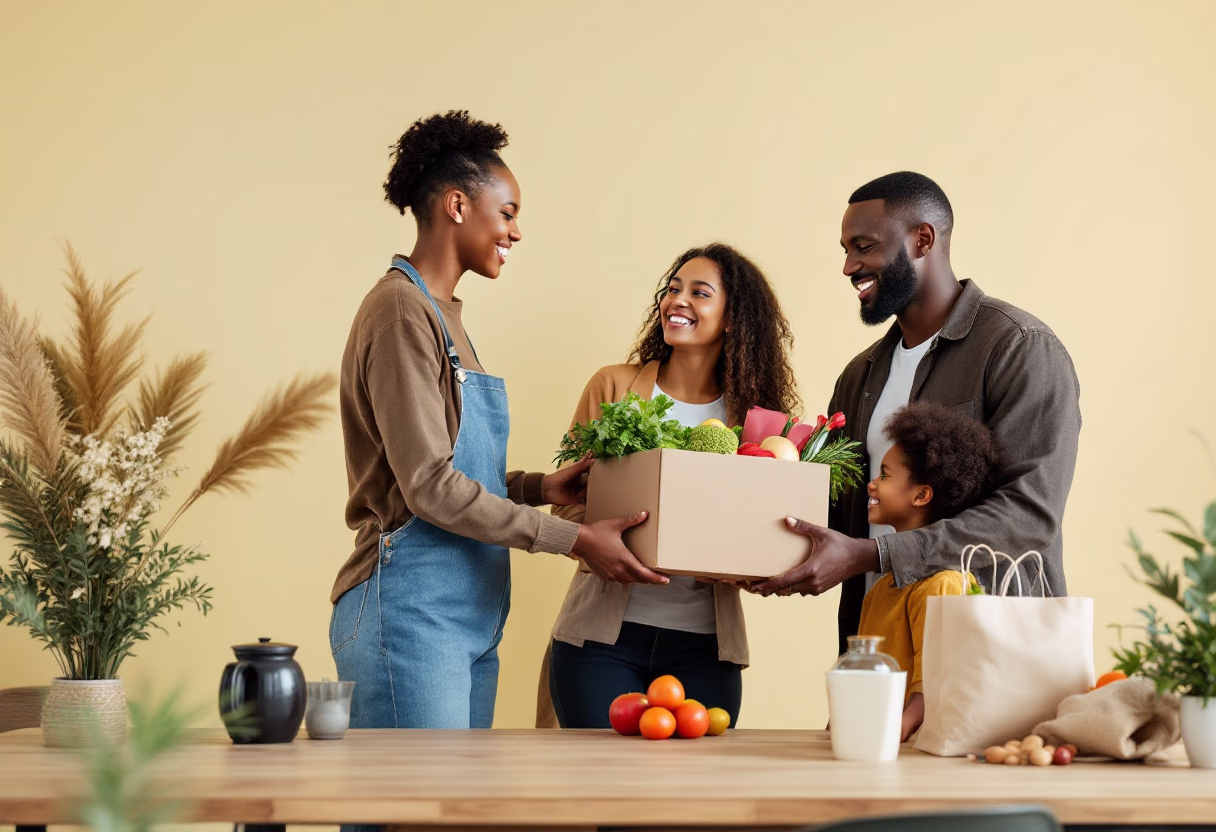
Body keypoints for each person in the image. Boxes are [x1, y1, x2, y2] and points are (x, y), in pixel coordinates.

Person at [330, 110, 666, 731]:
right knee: (409, 817)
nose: (516, 231)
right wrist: (574, 538)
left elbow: (447, 468)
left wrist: (541, 488)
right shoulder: (401, 312)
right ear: (457, 205)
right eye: (507, 211)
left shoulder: (442, 314)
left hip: (469, 614)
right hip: (410, 614)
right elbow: (428, 487)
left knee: (447, 817)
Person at [753, 172, 1082, 656]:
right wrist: (749, 541)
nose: (849, 266)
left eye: (863, 246)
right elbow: (836, 511)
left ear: (923, 239)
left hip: (993, 653)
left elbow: (1029, 515)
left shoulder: (1019, 348)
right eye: (845, 250)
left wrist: (873, 555)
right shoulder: (858, 377)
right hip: (879, 648)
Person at [538, 243, 802, 729]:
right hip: (601, 642)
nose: (677, 300)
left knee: (697, 801)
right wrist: (615, 545)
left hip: (705, 647)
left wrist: (751, 565)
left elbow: (769, 531)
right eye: (672, 289)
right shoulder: (613, 387)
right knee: (595, 792)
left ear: (731, 318)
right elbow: (568, 505)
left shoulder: (759, 424)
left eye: (699, 293)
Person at [857, 401, 1000, 740]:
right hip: (879, 742)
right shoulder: (883, 585)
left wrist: (899, 727)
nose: (872, 485)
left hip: (916, 748)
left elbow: (935, 678)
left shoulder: (944, 585)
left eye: (885, 475)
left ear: (921, 495)